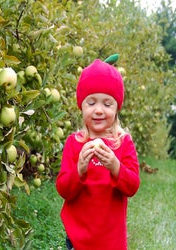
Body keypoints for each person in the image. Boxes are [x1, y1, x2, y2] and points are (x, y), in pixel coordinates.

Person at [56, 58, 140, 250]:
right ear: (82, 106)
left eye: (107, 104)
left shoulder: (124, 143)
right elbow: (63, 190)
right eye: (91, 102)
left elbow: (132, 186)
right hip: (77, 239)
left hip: (112, 242)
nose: (99, 110)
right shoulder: (74, 143)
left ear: (117, 107)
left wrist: (115, 166)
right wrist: (80, 170)